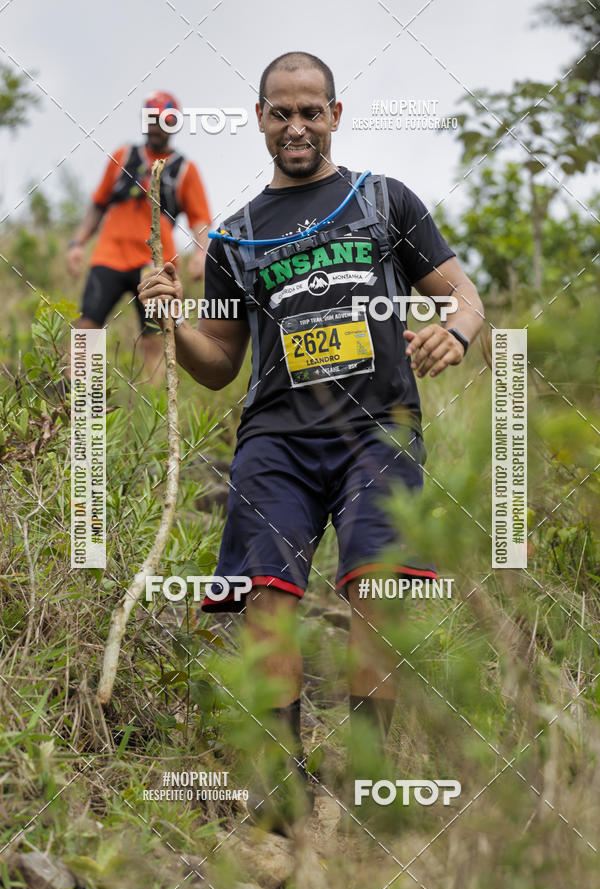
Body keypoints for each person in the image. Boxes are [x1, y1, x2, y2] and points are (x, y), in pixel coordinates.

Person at [139, 52, 484, 829]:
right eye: (280, 112)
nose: (296, 125)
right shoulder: (234, 238)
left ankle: (366, 785)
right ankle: (281, 795)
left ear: (335, 114)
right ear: (260, 119)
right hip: (276, 444)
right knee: (267, 601)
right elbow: (219, 366)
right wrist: (173, 323)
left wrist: (456, 334)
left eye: (311, 111)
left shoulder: (384, 202)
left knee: (375, 596)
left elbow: (463, 295)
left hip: (378, 434)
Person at [66, 90, 211, 381]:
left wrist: (201, 253)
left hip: (155, 264)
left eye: (164, 120)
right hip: (110, 255)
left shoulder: (185, 170)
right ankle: (77, 406)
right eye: (152, 119)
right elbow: (98, 203)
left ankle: (153, 413)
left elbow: (201, 220)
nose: (157, 126)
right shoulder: (123, 156)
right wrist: (77, 243)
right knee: (87, 329)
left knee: (154, 337)